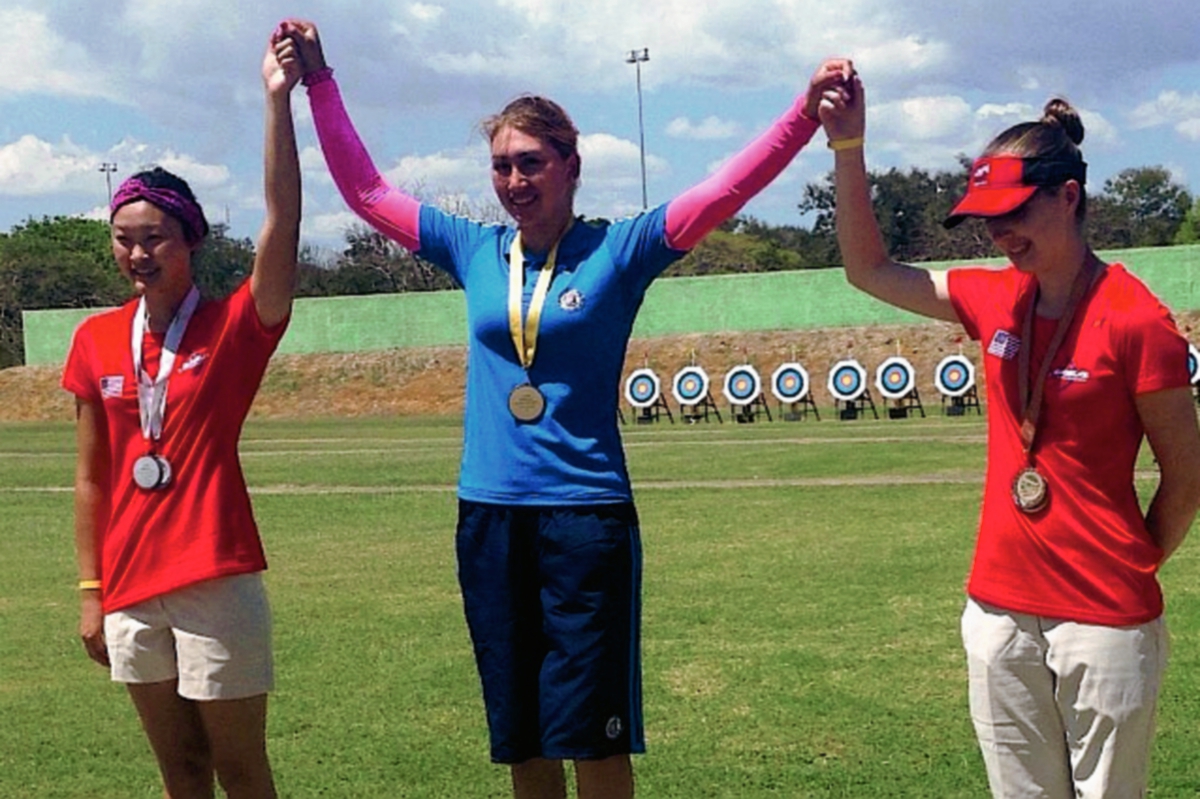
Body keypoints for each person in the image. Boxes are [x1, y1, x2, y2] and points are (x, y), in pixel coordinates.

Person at [282, 18, 850, 799]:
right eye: (501, 166)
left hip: (585, 520)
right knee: (523, 738)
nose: (515, 180)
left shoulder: (622, 250)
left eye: (531, 163)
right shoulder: (471, 247)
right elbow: (368, 192)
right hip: (488, 516)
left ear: (571, 166)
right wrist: (320, 81)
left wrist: (803, 112)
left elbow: (725, 190)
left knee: (593, 737)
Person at [820, 70, 1200, 798]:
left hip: (1105, 621)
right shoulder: (992, 296)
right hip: (998, 611)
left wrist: (1133, 556)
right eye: (988, 220)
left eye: (1015, 212)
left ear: (1069, 196)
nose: (1000, 235)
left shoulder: (1135, 317)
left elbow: (1186, 474)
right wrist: (849, 146)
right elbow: (867, 269)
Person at [62, 24, 303, 799]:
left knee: (239, 767)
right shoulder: (96, 339)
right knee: (180, 771)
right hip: (130, 583)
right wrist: (91, 592)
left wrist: (278, 102)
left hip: (215, 573)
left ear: (190, 241)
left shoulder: (233, 326)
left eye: (155, 238)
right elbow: (92, 478)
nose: (139, 253)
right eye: (124, 239)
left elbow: (283, 223)